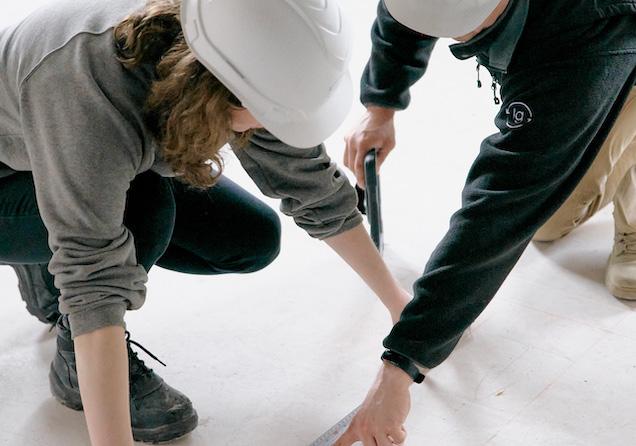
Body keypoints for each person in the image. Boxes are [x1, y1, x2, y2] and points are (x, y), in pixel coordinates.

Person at [0, 0, 412, 444]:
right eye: (272, 115)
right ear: (219, 93)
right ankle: (73, 361)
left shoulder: (233, 41)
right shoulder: (90, 94)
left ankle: (43, 256)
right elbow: (93, 279)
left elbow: (308, 183)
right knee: (142, 210)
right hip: (13, 175)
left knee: (249, 238)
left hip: (56, 150)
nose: (275, 127)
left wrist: (400, 306)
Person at [337, 0, 636, 445]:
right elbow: (405, 16)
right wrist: (380, 106)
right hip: (578, 58)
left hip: (612, 34)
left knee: (538, 188)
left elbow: (498, 208)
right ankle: (595, 141)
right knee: (548, 220)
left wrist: (402, 362)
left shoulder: (580, 42)